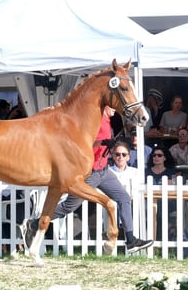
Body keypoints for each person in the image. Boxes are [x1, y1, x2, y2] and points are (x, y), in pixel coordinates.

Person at [20, 106, 153, 254]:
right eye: (112, 107)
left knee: (124, 198)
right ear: (105, 107)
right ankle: (34, 223)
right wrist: (103, 143)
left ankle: (131, 240)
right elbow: (85, 143)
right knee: (68, 207)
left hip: (104, 171)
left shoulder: (108, 120)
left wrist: (109, 143)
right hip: (91, 172)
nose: (115, 109)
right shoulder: (95, 120)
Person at [144, 145, 177, 240]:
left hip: (168, 201)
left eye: (159, 155)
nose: (156, 157)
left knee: (160, 203)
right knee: (156, 204)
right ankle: (168, 227)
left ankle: (159, 235)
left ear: (165, 158)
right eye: (154, 155)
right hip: (148, 201)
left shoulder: (171, 172)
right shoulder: (146, 172)